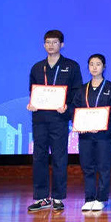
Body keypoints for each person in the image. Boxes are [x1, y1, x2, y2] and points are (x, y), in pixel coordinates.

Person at [27, 30, 83, 212]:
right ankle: (42, 197)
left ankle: (58, 197)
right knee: (39, 157)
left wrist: (67, 106)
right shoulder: (37, 67)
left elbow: (77, 92)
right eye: (47, 42)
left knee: (59, 157)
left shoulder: (71, 66)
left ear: (62, 44)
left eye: (54, 42)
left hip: (59, 119)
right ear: (44, 45)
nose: (51, 45)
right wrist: (32, 103)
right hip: (40, 118)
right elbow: (33, 91)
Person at [75, 54, 111, 211]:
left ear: (104, 67)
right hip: (85, 135)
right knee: (87, 166)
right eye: (91, 64)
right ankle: (89, 198)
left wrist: (102, 127)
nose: (94, 67)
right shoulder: (82, 89)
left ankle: (101, 198)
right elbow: (75, 110)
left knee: (103, 167)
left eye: (98, 64)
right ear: (88, 67)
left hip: (103, 135)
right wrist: (81, 125)